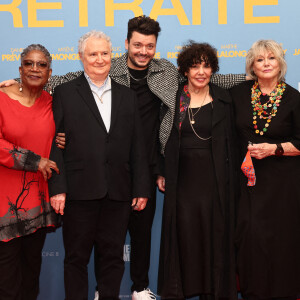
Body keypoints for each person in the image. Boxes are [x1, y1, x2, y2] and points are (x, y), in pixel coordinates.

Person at [0, 16, 246, 300]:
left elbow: (206, 80)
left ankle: (131, 290)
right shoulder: (85, 80)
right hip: (85, 184)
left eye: (149, 46)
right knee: (82, 255)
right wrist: (21, 81)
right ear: (126, 44)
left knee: (125, 247)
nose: (143, 51)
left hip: (132, 174)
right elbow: (59, 98)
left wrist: (255, 75)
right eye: (137, 44)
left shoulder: (153, 79)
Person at [48, 30, 151, 300]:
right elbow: (53, 143)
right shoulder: (64, 93)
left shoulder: (127, 96)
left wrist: (141, 187)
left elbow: (137, 146)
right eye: (92, 54)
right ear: (81, 57)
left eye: (104, 53)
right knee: (75, 259)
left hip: (118, 191)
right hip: (78, 192)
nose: (99, 59)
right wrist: (57, 188)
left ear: (112, 56)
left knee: (113, 258)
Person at [157, 42, 238, 300]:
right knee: (184, 239)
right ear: (184, 70)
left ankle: (213, 292)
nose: (201, 72)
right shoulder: (173, 100)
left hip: (216, 182)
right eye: (195, 66)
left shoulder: (224, 99)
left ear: (213, 69)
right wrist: (160, 172)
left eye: (206, 66)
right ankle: (181, 290)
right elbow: (158, 138)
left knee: (214, 239)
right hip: (182, 183)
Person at [230, 40, 300, 300]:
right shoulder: (238, 94)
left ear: (281, 63)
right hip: (247, 184)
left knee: (282, 243)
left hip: (284, 185)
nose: (266, 64)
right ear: (252, 65)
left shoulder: (294, 98)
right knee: (249, 241)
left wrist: (275, 148)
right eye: (260, 60)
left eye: (271, 58)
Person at [0, 44, 61, 300]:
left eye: (42, 65)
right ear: (19, 69)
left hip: (38, 200)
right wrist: (35, 161)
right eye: (29, 63)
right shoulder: (2, 99)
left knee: (30, 272)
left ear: (50, 72)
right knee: (7, 276)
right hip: (6, 202)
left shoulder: (54, 102)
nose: (35, 69)